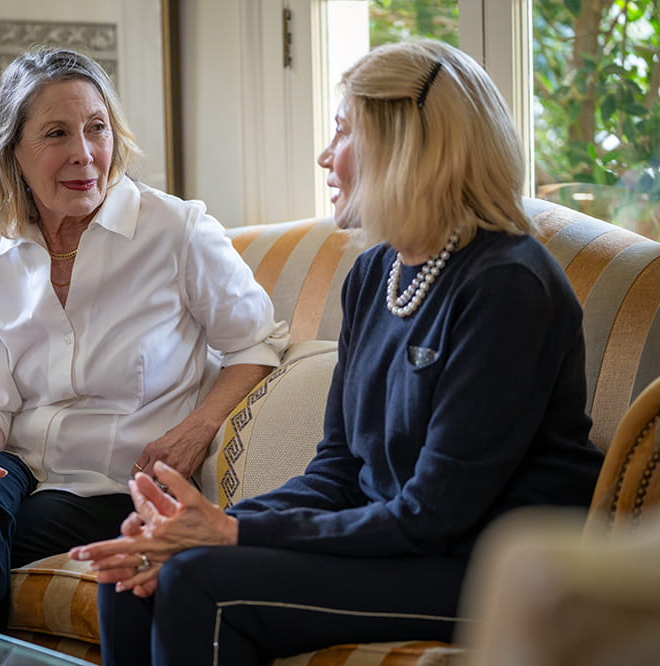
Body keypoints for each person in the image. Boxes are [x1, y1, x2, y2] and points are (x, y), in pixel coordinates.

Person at [70, 39, 605, 666]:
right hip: (403, 544)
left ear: (405, 145)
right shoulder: (376, 274)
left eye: (344, 131)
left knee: (196, 582)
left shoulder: (506, 284)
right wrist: (187, 526)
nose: (326, 154)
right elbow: (338, 470)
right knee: (134, 571)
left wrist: (233, 532)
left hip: (494, 568)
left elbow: (435, 513)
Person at [0, 47, 289, 631]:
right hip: (17, 467)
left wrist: (196, 429)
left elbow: (256, 344)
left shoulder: (174, 231)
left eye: (96, 127)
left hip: (114, 483)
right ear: (13, 151)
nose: (84, 153)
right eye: (56, 133)